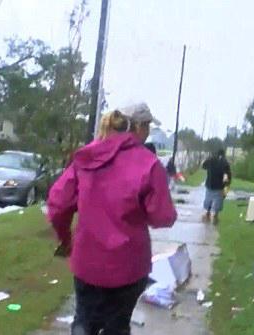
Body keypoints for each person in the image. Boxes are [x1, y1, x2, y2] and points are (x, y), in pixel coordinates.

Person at [47, 103, 177, 335]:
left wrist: (65, 238)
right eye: (147, 126)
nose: (147, 132)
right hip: (129, 265)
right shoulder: (149, 164)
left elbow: (57, 204)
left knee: (85, 319)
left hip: (87, 261)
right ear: (137, 127)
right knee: (117, 325)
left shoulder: (86, 156)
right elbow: (163, 217)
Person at [202, 149, 231, 225]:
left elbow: (204, 166)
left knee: (208, 200)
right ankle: (215, 215)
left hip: (210, 184)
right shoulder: (225, 163)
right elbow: (226, 176)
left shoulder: (211, 160)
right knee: (218, 201)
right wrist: (226, 187)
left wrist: (208, 159)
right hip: (219, 186)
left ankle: (207, 213)